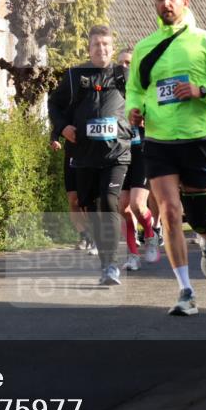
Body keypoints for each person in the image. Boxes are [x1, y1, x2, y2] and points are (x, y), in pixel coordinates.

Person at [126, 0, 206, 316]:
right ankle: (186, 291)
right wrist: (134, 108)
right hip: (158, 140)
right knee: (171, 212)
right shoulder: (144, 48)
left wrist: (201, 91)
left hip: (196, 140)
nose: (165, 4)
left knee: (200, 216)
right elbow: (135, 88)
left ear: (185, 2)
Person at [49, 25, 131, 285]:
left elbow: (143, 102)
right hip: (84, 155)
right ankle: (105, 261)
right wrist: (62, 127)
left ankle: (111, 265)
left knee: (108, 202)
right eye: (97, 44)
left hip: (116, 154)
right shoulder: (75, 76)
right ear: (89, 48)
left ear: (112, 47)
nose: (102, 49)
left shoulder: (124, 76)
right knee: (89, 207)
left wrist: (140, 119)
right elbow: (54, 103)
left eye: (106, 44)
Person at [116, 48, 158, 270]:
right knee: (123, 207)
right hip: (120, 154)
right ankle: (133, 254)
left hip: (141, 152)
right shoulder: (111, 93)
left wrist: (146, 120)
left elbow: (162, 117)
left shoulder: (145, 91)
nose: (125, 67)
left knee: (137, 205)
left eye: (129, 63)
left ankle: (151, 235)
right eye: (121, 63)